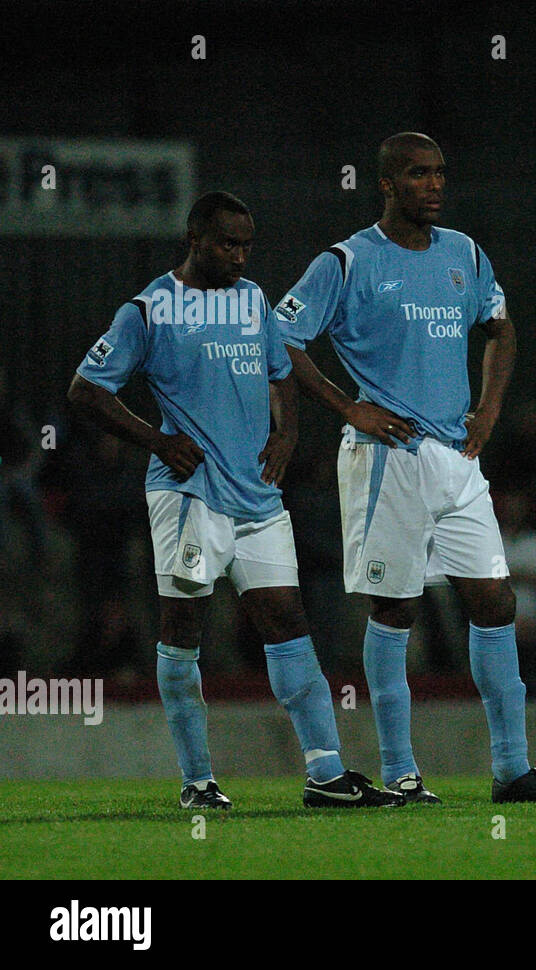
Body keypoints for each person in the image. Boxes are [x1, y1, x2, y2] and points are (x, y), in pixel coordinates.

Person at [68, 191, 403, 809]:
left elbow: (280, 371)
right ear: (196, 238)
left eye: (247, 244)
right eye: (228, 243)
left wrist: (288, 432)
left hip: (256, 501)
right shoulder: (151, 309)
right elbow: (86, 388)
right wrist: (156, 439)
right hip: (190, 496)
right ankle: (198, 782)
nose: (240, 256)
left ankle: (326, 775)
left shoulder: (253, 301)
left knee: (287, 623)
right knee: (184, 628)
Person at [275, 132, 536, 804]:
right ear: (386, 184)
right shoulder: (348, 261)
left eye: (441, 173)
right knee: (397, 606)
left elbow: (500, 327)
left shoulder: (465, 254)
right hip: (387, 456)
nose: (435, 185)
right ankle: (401, 772)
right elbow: (282, 334)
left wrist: (490, 409)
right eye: (418, 174)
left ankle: (511, 769)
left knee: (495, 599)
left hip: (457, 457)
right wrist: (348, 408)